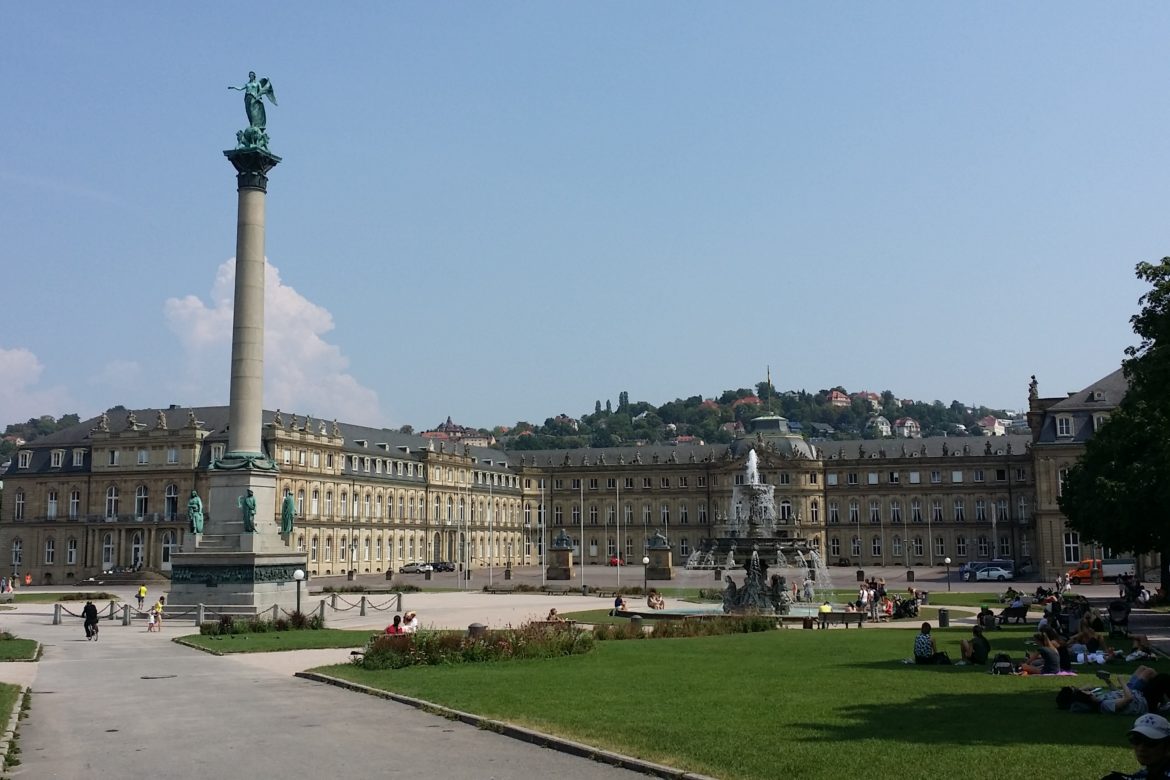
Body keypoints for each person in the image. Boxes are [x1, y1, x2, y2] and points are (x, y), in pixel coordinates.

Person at [1101, 714, 1170, 779]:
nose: (1141, 748)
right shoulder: (1149, 772)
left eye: (1150, 742)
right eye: (1136, 740)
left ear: (1168, 747)